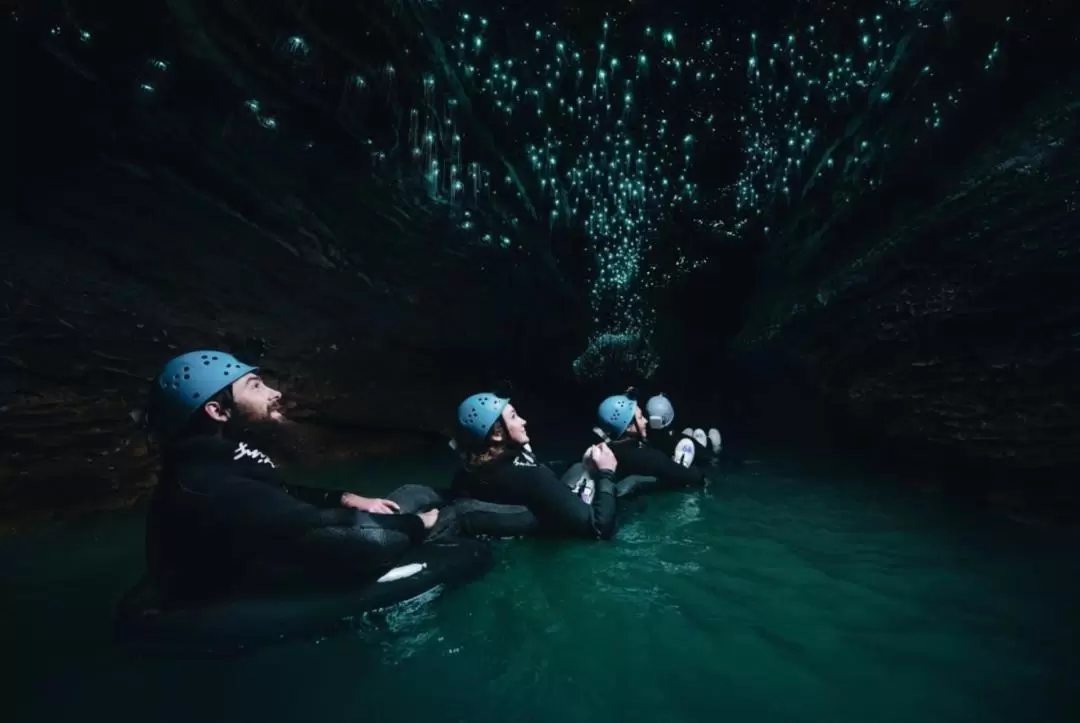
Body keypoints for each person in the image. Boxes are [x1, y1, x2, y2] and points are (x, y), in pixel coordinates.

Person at [142, 349, 441, 604]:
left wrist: (345, 499)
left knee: (417, 492)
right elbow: (337, 531)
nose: (276, 393)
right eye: (255, 386)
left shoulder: (216, 456)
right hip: (223, 593)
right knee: (406, 524)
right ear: (218, 410)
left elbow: (279, 493)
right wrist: (417, 523)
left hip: (259, 552)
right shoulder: (206, 482)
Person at [448, 392, 620, 540]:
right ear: (497, 434)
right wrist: (607, 473)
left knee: (577, 468)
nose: (524, 421)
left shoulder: (466, 473)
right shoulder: (530, 476)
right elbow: (599, 528)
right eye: (514, 416)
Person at [592, 389, 708, 498]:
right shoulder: (651, 458)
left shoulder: (601, 452)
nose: (646, 421)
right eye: (641, 417)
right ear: (628, 426)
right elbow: (695, 477)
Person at [644, 393, 724, 469]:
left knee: (689, 436)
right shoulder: (680, 440)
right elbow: (711, 458)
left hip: (678, 450)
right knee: (707, 440)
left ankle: (710, 445)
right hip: (694, 452)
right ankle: (713, 446)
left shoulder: (645, 441)